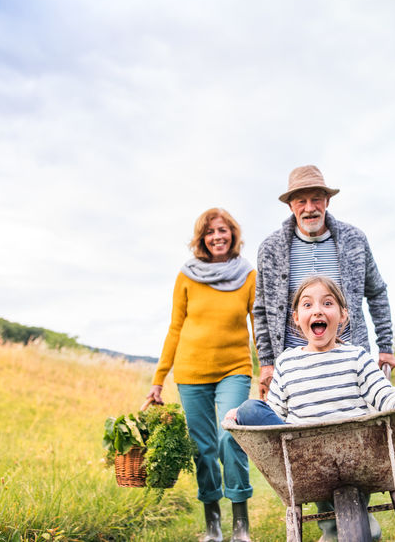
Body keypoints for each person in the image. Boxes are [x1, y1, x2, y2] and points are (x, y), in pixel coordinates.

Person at [227, 275, 395, 542]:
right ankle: (350, 529)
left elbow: (386, 400)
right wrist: (244, 415)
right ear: (297, 318)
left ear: (343, 315)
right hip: (302, 457)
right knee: (251, 408)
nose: (318, 310)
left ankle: (350, 528)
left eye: (328, 303)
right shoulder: (287, 362)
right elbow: (275, 411)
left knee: (347, 518)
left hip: (357, 455)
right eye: (308, 305)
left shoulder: (356, 357)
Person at [146, 207, 255, 542]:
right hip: (191, 372)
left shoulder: (248, 275)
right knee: (202, 448)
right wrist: (159, 378)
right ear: (202, 239)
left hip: (234, 368)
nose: (217, 237)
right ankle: (213, 525)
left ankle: (241, 526)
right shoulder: (187, 275)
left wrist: (268, 369)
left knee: (230, 437)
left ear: (233, 234)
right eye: (210, 232)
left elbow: (259, 324)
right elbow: (175, 327)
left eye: (223, 230)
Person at [253, 165, 395, 402]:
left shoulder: (354, 241)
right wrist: (267, 363)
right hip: (294, 365)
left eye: (316, 199)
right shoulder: (270, 249)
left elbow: (377, 292)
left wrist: (386, 346)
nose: (310, 208)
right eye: (301, 201)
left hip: (348, 358)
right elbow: (261, 309)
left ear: (327, 201)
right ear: (290, 206)